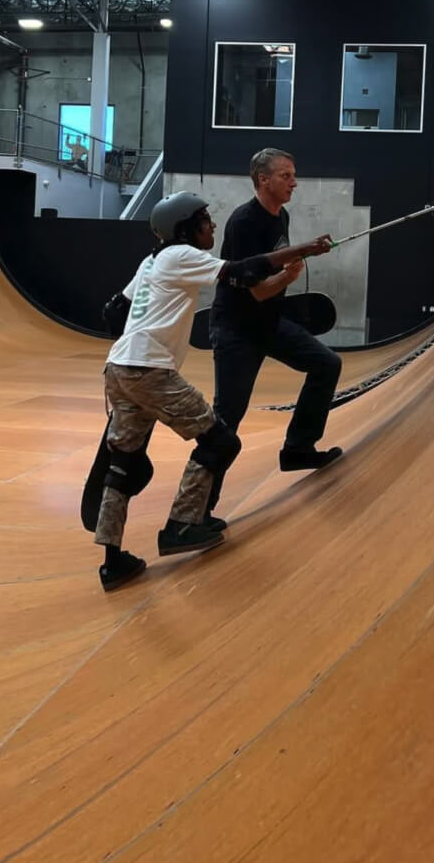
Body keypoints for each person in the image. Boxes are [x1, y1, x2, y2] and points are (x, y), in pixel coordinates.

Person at [94, 190, 333, 592]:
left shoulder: (152, 260)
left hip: (118, 367)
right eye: (205, 220)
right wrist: (305, 249)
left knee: (124, 465)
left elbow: (113, 311)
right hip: (150, 369)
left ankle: (113, 562)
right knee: (220, 441)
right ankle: (181, 525)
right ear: (186, 228)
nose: (213, 225)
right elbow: (240, 271)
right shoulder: (181, 255)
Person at [210, 148, 344, 476]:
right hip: (237, 330)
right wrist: (288, 275)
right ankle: (194, 515)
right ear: (263, 179)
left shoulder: (281, 216)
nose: (294, 183)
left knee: (327, 364)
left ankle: (298, 449)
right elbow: (256, 291)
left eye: (293, 175)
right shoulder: (244, 222)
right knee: (226, 423)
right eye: (286, 176)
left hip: (268, 323)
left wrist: (289, 265)